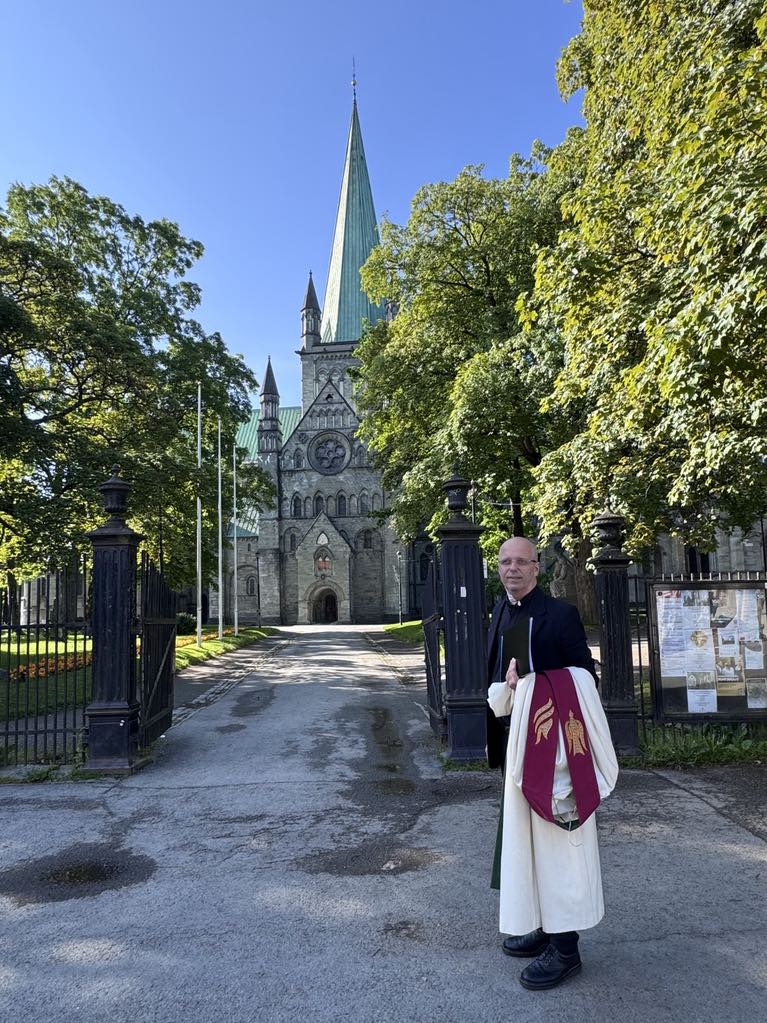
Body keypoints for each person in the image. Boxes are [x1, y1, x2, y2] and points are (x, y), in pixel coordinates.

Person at [486, 536, 609, 991]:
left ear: (536, 568)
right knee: (527, 847)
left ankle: (567, 950)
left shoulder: (560, 615)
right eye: (505, 562)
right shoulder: (501, 611)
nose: (512, 569)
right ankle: (545, 927)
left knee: (560, 852)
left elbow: (584, 677)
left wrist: (535, 685)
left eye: (521, 562)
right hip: (516, 748)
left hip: (555, 756)